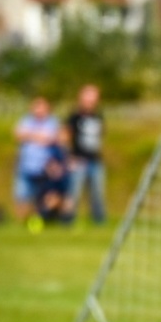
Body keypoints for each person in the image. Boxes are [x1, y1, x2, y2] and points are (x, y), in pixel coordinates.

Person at [14, 97, 60, 231]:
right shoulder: (26, 120)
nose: (39, 110)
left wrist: (29, 135)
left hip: (44, 169)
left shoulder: (52, 122)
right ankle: (20, 224)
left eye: (42, 107)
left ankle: (40, 220)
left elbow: (51, 138)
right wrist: (38, 136)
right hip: (25, 167)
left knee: (41, 200)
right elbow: (18, 135)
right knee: (22, 197)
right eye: (36, 107)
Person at [66, 84, 106, 223]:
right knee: (74, 193)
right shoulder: (74, 116)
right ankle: (68, 220)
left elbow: (101, 136)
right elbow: (65, 136)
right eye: (88, 97)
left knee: (97, 193)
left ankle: (99, 221)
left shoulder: (98, 116)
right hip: (78, 160)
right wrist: (70, 157)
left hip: (95, 160)